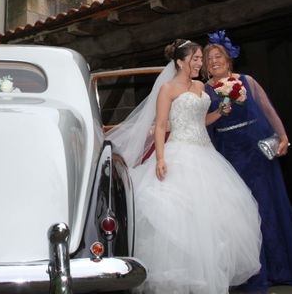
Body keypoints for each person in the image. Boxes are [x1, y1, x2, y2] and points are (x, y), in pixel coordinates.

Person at [107, 39, 262, 294]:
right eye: (196, 59)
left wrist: (221, 112)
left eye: (201, 59)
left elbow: (203, 120)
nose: (201, 64)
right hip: (179, 151)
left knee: (212, 216)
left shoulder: (201, 85)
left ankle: (207, 276)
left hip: (206, 154)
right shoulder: (167, 89)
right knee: (180, 217)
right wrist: (159, 158)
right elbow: (160, 125)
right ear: (180, 61)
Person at [203, 30, 292, 292]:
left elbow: (268, 109)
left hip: (254, 151)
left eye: (218, 56)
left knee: (265, 209)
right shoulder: (203, 89)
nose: (214, 61)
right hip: (226, 155)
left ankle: (277, 268)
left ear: (228, 59)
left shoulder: (247, 80)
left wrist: (283, 136)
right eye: (209, 58)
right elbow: (199, 122)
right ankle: (247, 272)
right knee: (237, 214)